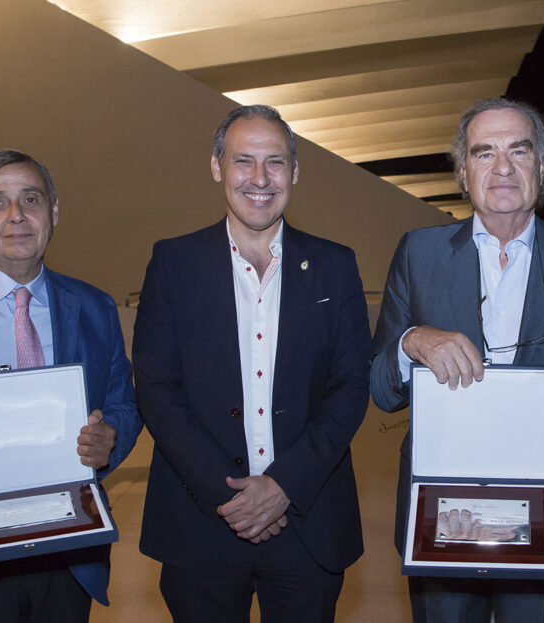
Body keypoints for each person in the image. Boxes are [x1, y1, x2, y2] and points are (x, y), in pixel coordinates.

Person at [370, 97, 544, 623]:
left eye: (519, 150)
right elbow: (381, 389)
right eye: (484, 152)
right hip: (442, 519)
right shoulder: (418, 254)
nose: (503, 167)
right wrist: (411, 341)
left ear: (543, 165)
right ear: (463, 171)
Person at [133, 105, 371, 622]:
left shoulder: (335, 265)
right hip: (202, 522)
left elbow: (351, 386)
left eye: (275, 162)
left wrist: (283, 487)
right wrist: (234, 498)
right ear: (216, 166)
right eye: (244, 161)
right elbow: (156, 388)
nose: (260, 178)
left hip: (307, 521)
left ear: (295, 171)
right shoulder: (173, 263)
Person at [0, 150, 141, 623]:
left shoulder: (93, 307)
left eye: (30, 199)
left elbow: (123, 403)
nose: (16, 215)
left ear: (53, 210)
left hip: (66, 555)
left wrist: (110, 437)